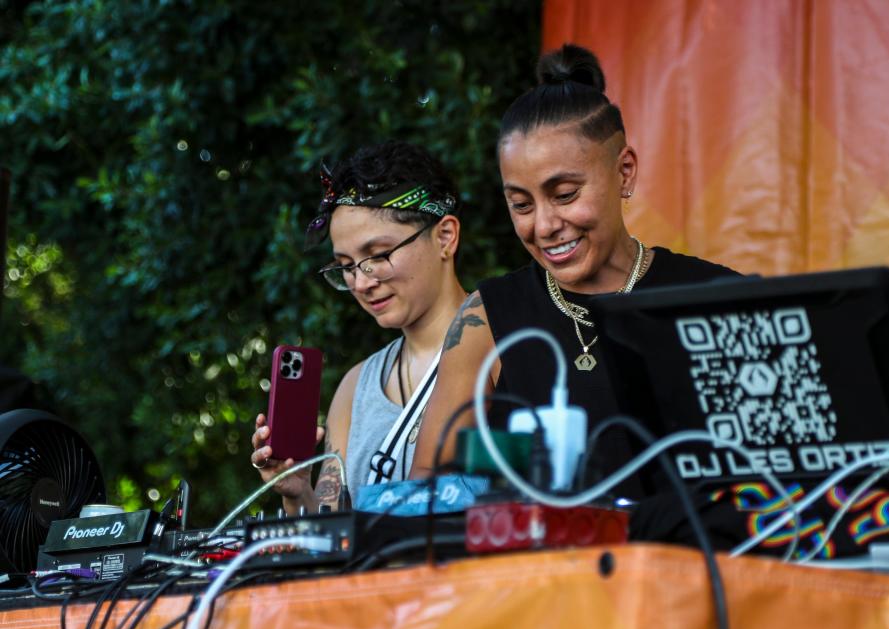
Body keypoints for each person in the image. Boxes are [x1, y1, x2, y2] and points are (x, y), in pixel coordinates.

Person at [410, 44, 738, 499]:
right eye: (521, 204)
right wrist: (517, 465)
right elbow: (430, 487)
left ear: (624, 173)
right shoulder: (487, 318)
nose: (543, 226)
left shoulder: (718, 296)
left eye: (564, 194)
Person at [250, 140, 467, 514]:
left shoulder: (506, 342)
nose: (361, 282)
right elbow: (329, 531)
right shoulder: (355, 388)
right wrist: (297, 493)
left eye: (378, 256)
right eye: (346, 266)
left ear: (445, 236)